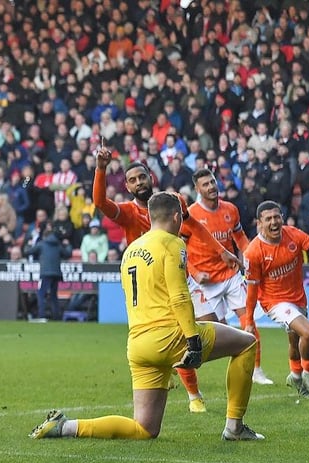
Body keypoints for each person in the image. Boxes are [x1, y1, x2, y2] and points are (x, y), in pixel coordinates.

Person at [30, 192, 264, 442]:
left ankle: (65, 426)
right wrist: (193, 341)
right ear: (176, 217)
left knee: (145, 429)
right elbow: (180, 296)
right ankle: (235, 428)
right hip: (171, 337)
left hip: (139, 345)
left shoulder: (131, 249)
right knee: (247, 343)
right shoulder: (173, 244)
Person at [91, 145, 243, 402]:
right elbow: (99, 202)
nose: (139, 182)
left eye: (142, 177)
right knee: (182, 336)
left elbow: (195, 227)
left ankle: (178, 368)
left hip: (180, 277)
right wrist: (101, 169)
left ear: (151, 177)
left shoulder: (173, 201)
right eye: (133, 180)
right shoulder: (129, 212)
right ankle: (195, 397)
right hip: (152, 286)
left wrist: (222, 252)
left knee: (215, 324)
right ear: (127, 187)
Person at [178, 169, 275, 415]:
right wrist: (194, 271)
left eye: (212, 181)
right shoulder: (191, 215)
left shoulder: (230, 209)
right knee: (215, 330)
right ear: (197, 189)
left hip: (230, 275)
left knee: (248, 320)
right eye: (205, 184)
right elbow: (180, 247)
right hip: (204, 282)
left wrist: (251, 258)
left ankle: (256, 370)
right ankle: (184, 369)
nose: (211, 186)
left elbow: (241, 239)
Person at [243, 201, 309, 399]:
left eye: (277, 217)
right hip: (275, 302)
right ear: (259, 223)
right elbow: (252, 289)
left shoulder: (293, 234)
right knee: (308, 332)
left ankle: (295, 375)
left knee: (295, 341)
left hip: (298, 298)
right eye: (268, 219)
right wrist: (249, 320)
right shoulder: (253, 252)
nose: (274, 222)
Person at [26, 222, 72, 321]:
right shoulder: (58, 245)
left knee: (40, 294)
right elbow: (67, 254)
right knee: (53, 296)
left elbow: (28, 252)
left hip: (45, 273)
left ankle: (41, 316)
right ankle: (56, 317)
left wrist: (28, 244)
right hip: (56, 274)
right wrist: (68, 245)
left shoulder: (41, 244)